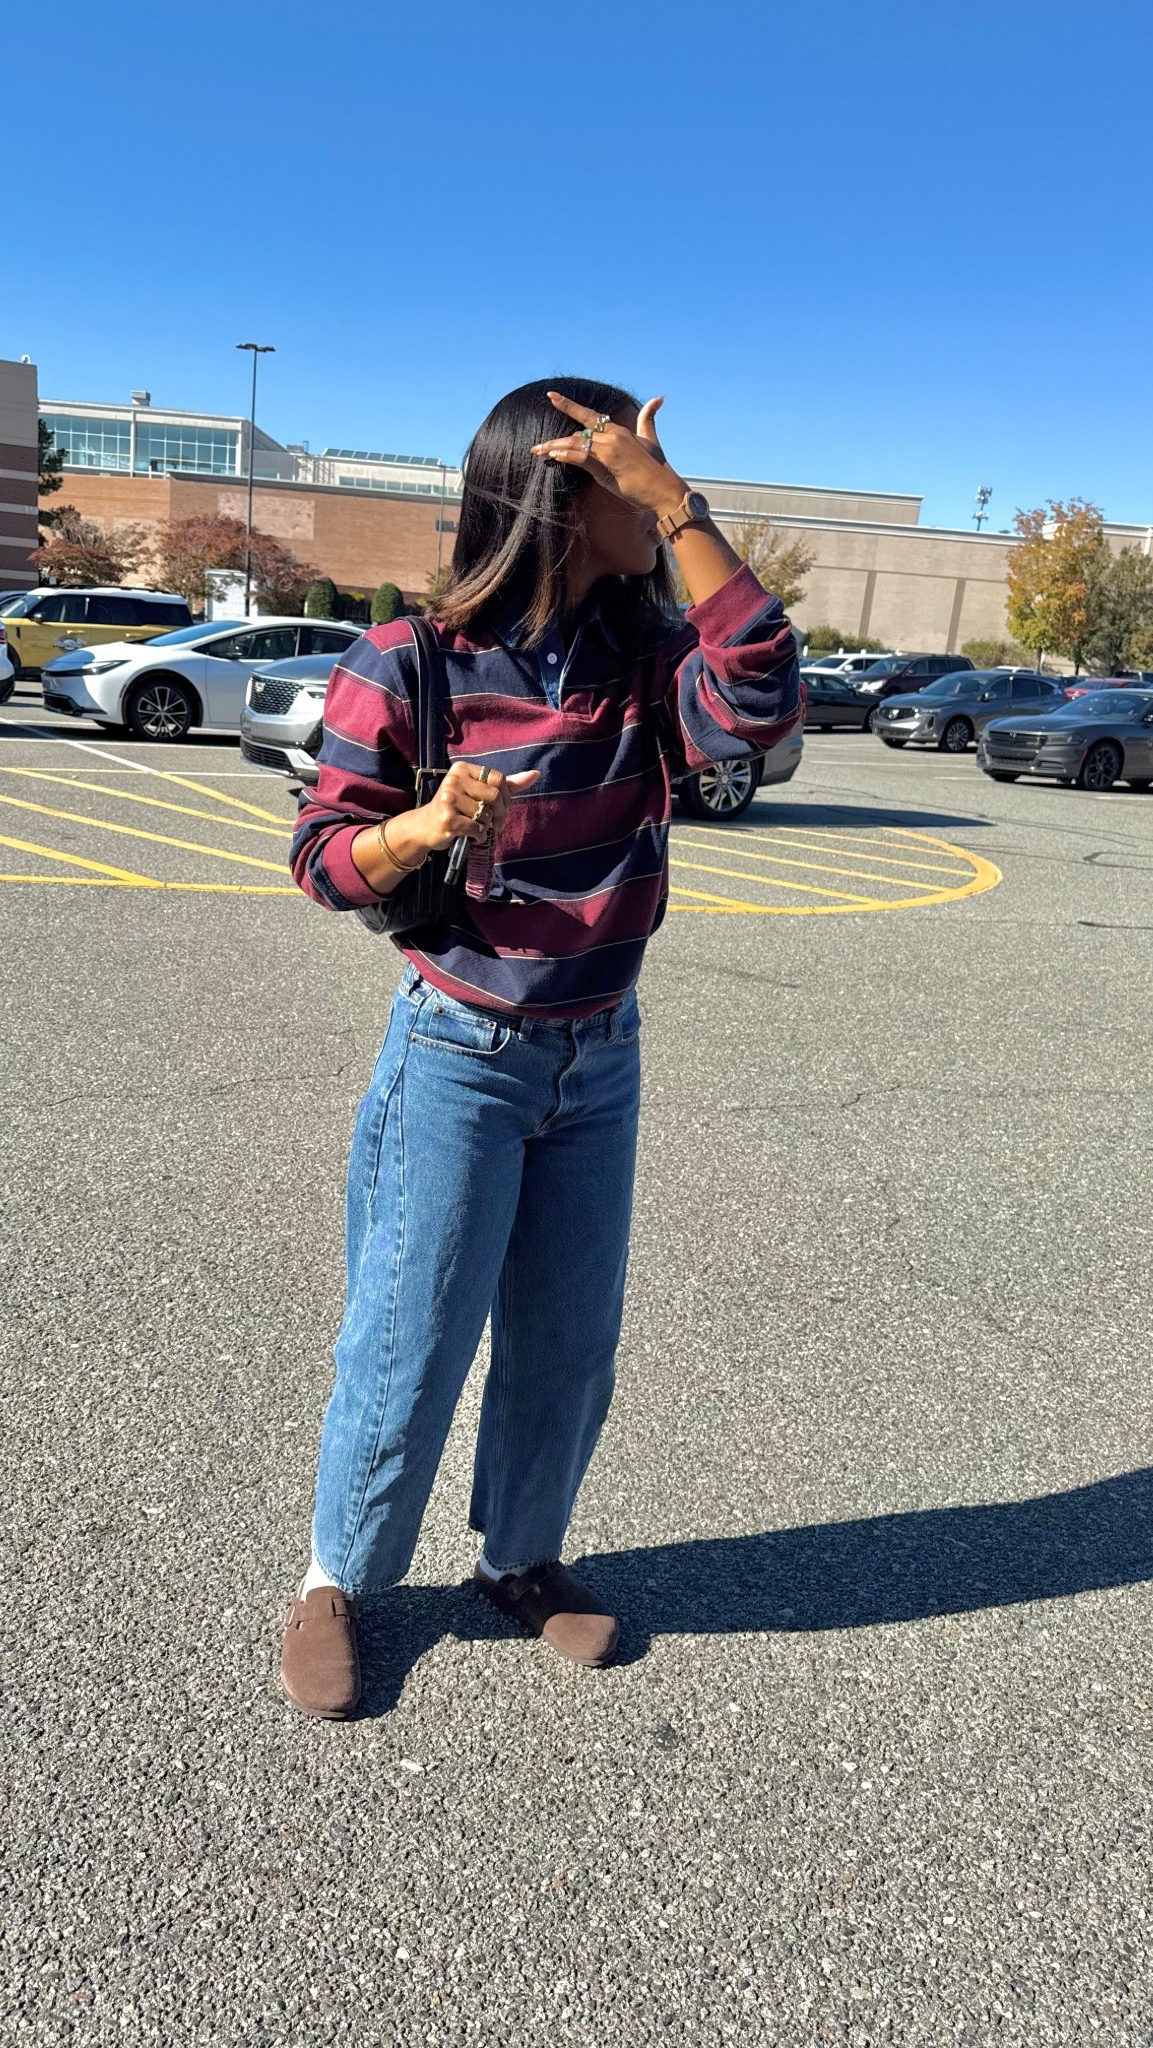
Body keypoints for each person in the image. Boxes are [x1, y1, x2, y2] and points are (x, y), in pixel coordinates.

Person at [281, 378, 801, 1718]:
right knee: (410, 1335)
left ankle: (518, 1557)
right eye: (628, 473)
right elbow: (323, 859)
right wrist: (425, 826)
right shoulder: (410, 659)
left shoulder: (645, 661)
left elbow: (760, 699)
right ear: (560, 497)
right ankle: (339, 1578)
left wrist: (679, 505)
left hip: (600, 1053)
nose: (653, 495)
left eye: (656, 473)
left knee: (567, 1344)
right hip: (459, 1051)